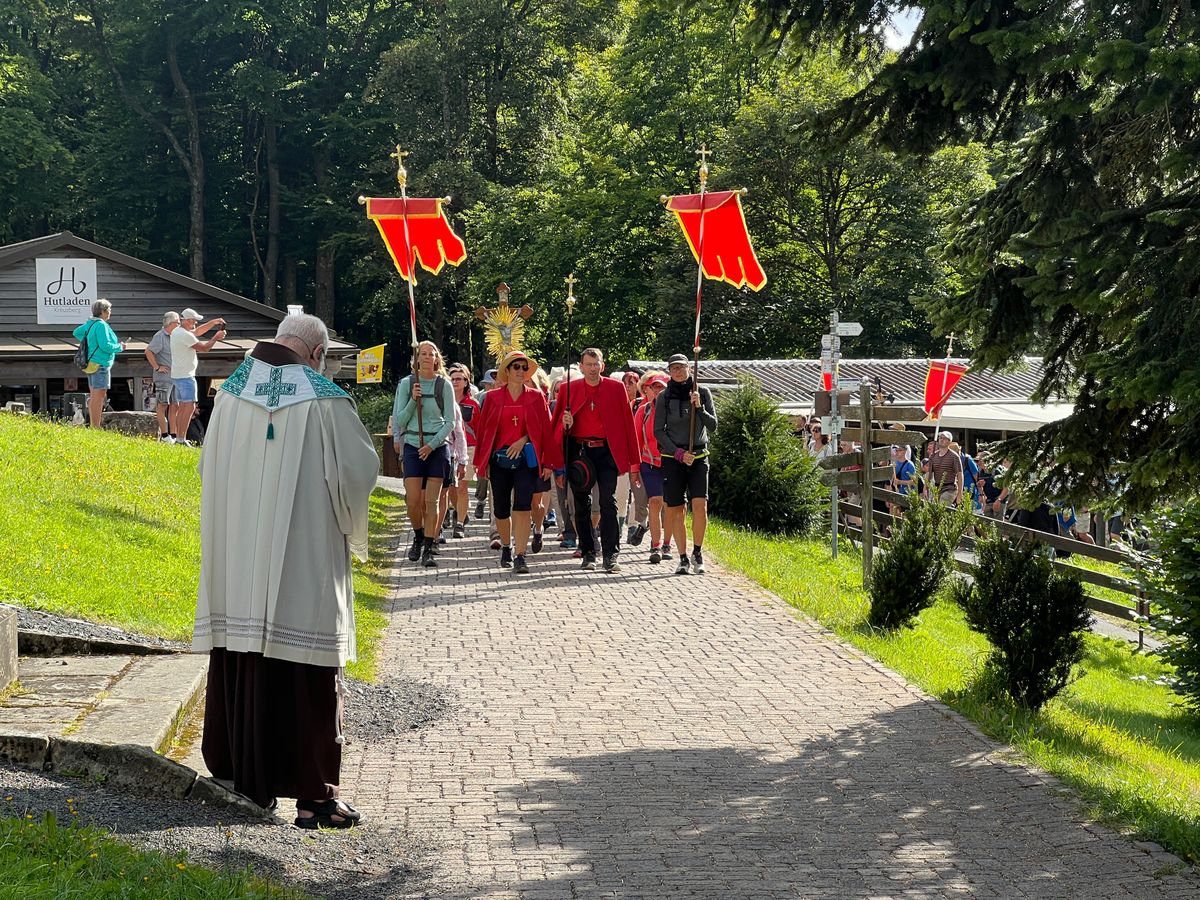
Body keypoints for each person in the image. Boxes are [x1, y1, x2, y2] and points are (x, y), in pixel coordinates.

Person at [192, 313, 379, 828]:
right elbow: (359, 472)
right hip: (304, 556)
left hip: (238, 559)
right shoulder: (324, 398)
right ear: (316, 354)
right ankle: (315, 799)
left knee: (241, 654)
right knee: (305, 669)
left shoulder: (230, 393)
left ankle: (241, 780)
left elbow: (208, 468)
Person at [551, 348, 642, 573]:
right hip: (580, 452)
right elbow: (556, 429)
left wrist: (634, 463)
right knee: (581, 505)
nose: (592, 368)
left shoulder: (615, 388)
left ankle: (611, 555)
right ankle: (588, 551)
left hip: (606, 452)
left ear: (602, 366)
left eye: (596, 364)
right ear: (581, 366)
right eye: (588, 364)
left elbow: (628, 426)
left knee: (608, 503)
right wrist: (566, 424)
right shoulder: (568, 389)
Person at [473, 350, 555, 574]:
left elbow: (545, 431)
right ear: (507, 371)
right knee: (500, 509)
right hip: (499, 461)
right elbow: (484, 432)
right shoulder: (492, 398)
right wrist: (482, 463)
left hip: (526, 461)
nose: (521, 371)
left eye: (524, 367)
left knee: (522, 506)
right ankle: (506, 547)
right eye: (516, 367)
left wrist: (529, 444)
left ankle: (520, 555)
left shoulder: (536, 397)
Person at [392, 340, 457, 568]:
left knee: (432, 501)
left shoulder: (444, 386)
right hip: (412, 444)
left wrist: (432, 444)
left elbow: (450, 421)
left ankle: (428, 547)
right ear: (417, 358)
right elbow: (400, 420)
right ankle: (418, 536)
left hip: (437, 447)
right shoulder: (406, 384)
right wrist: (413, 400)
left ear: (437, 359)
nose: (429, 357)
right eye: (424, 354)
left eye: (432, 353)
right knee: (412, 501)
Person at [654, 353, 718, 575]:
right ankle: (682, 557)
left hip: (699, 457)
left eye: (681, 367)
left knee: (700, 506)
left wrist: (699, 408)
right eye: (674, 369)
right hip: (674, 458)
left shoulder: (702, 392)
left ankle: (697, 551)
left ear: (690, 368)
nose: (678, 372)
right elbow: (658, 432)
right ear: (669, 372)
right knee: (676, 509)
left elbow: (713, 425)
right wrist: (679, 453)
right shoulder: (663, 396)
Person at [170, 308, 227, 447]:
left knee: (183, 408)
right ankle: (181, 439)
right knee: (188, 407)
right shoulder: (184, 335)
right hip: (186, 376)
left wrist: (213, 323)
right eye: (194, 320)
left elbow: (197, 332)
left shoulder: (178, 331)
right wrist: (216, 337)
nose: (195, 323)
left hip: (178, 375)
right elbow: (205, 347)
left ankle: (179, 438)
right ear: (187, 321)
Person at [72, 299, 126, 429]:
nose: (110, 312)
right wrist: (120, 347)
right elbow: (105, 346)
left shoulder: (91, 323)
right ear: (103, 311)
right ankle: (95, 426)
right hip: (101, 364)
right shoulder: (101, 325)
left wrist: (90, 342)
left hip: (91, 364)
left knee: (94, 396)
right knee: (99, 396)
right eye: (109, 310)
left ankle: (93, 424)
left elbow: (77, 332)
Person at [635, 371, 670, 563]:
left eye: (662, 388)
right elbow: (635, 440)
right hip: (649, 463)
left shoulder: (674, 410)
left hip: (671, 463)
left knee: (672, 506)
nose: (658, 391)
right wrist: (634, 469)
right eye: (654, 387)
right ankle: (655, 545)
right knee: (655, 501)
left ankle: (667, 543)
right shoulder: (644, 410)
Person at [448, 364, 479, 538]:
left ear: (466, 382)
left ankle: (459, 524)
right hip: (448, 447)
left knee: (462, 487)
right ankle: (460, 511)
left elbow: (480, 430)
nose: (455, 382)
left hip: (470, 448)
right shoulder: (443, 401)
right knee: (451, 487)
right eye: (452, 378)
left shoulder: (473, 404)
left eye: (459, 379)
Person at [145, 311, 179, 441]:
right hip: (164, 378)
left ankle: (174, 435)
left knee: (175, 405)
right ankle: (165, 435)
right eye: (178, 322)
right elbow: (148, 351)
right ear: (171, 323)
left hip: (176, 376)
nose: (179, 325)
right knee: (162, 405)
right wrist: (157, 367)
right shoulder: (160, 336)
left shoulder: (175, 336)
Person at [928, 430, 964, 506]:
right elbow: (929, 474)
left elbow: (960, 475)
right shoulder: (933, 456)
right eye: (940, 438)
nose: (941, 439)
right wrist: (925, 488)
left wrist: (960, 493)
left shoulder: (954, 456)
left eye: (944, 438)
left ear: (949, 442)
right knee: (935, 511)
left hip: (950, 488)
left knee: (941, 506)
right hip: (937, 488)